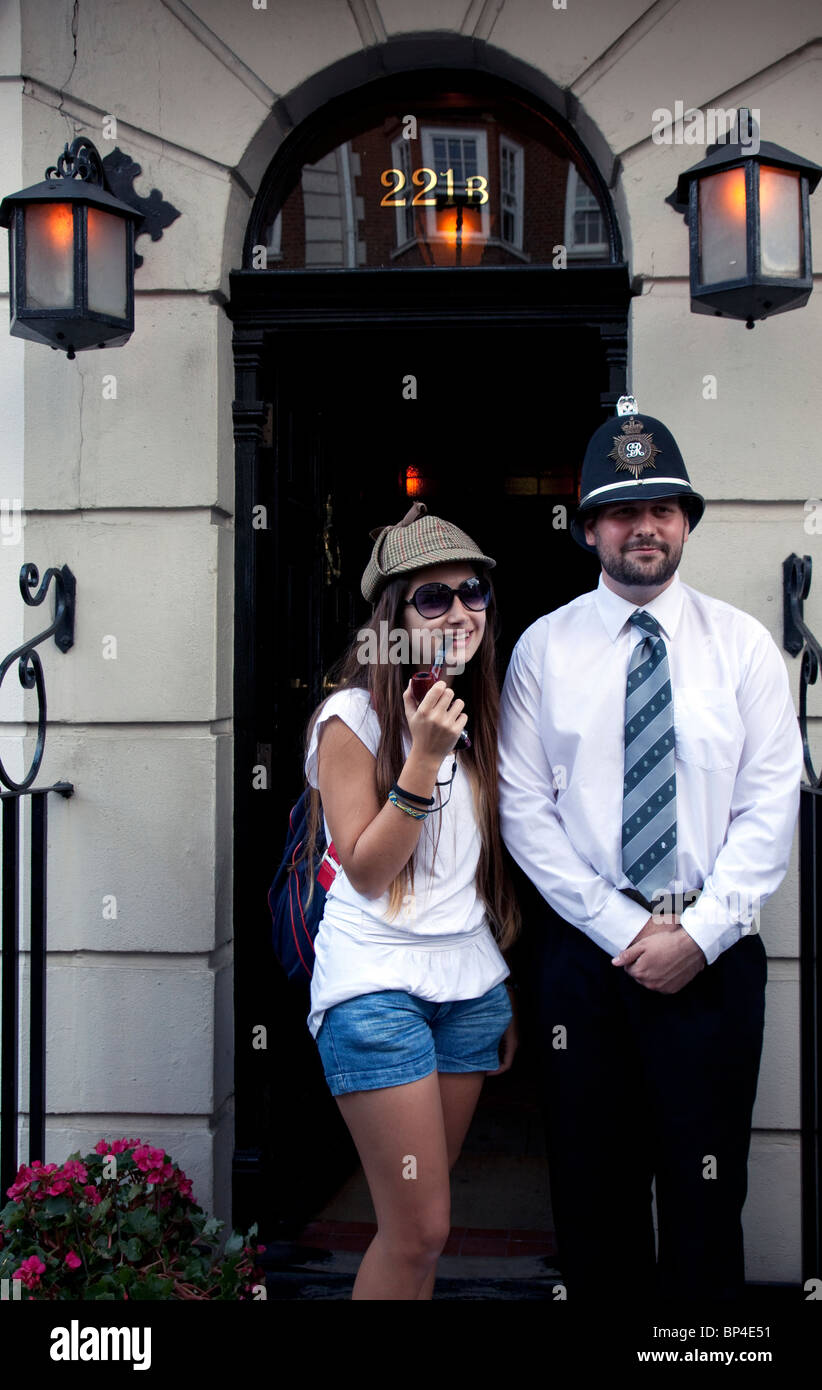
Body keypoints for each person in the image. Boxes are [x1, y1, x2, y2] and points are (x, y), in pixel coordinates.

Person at [497, 397, 803, 1302]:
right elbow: (522, 808)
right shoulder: (542, 651)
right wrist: (621, 929)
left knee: (709, 1202)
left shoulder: (743, 648)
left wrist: (698, 936)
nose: (646, 527)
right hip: (586, 964)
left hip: (713, 959)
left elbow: (767, 808)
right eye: (625, 511)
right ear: (590, 526)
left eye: (663, 509)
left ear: (684, 524)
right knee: (595, 1200)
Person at [303, 501, 519, 1301]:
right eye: (433, 597)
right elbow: (365, 870)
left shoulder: (485, 713)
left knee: (422, 1236)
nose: (460, 610)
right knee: (418, 1229)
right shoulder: (351, 719)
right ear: (392, 618)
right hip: (375, 990)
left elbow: (472, 878)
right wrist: (423, 758)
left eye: (473, 592)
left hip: (467, 993)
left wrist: (497, 988)